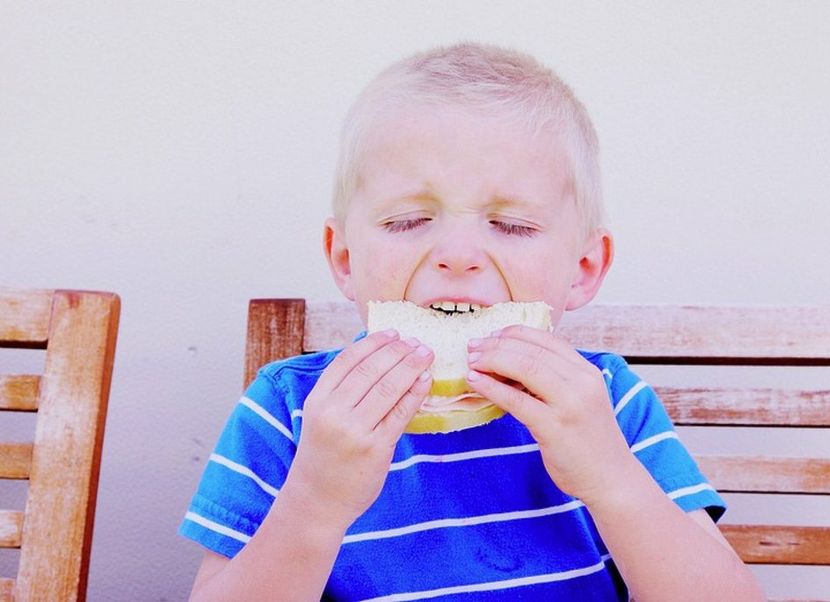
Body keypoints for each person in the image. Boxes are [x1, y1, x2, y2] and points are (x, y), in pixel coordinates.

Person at [179, 42, 765, 601]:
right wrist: (315, 499)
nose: (458, 255)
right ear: (345, 259)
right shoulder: (291, 410)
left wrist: (610, 477)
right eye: (408, 220)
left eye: (513, 226)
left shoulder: (607, 403)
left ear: (583, 268)